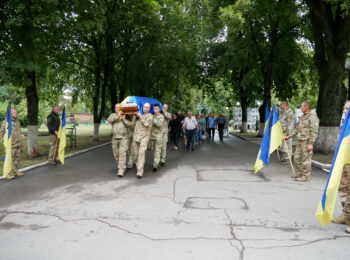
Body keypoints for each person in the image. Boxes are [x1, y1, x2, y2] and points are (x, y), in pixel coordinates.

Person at [286, 101, 319, 181]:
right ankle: (299, 173)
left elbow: (314, 131)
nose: (301, 108)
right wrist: (289, 136)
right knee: (296, 158)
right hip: (300, 140)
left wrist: (311, 143)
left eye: (302, 107)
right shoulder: (303, 116)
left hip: (307, 141)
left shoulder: (313, 116)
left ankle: (305, 176)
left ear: (306, 107)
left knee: (306, 159)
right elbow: (297, 129)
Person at [332, 101, 350, 233]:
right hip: (344, 161)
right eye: (344, 108)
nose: (344, 111)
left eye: (346, 109)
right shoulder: (345, 123)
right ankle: (346, 216)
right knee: (343, 188)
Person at [107, 103, 136, 177]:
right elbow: (109, 120)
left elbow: (131, 125)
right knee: (116, 154)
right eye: (115, 107)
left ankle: (121, 169)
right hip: (115, 138)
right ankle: (121, 164)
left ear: (121, 108)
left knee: (122, 153)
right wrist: (117, 116)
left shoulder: (126, 115)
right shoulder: (113, 115)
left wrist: (123, 118)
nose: (116, 109)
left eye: (118, 107)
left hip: (124, 138)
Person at [0, 108, 23, 179]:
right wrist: (4, 141)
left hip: (17, 143)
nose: (16, 113)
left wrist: (21, 142)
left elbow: (19, 132)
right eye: (14, 112)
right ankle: (9, 174)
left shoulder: (18, 122)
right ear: (10, 113)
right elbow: (1, 132)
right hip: (10, 145)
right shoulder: (6, 122)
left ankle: (15, 171)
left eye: (16, 112)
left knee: (17, 159)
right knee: (10, 159)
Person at [132, 103, 153, 178]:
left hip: (144, 137)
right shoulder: (139, 115)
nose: (145, 108)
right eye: (144, 107)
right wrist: (134, 117)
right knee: (135, 154)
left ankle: (140, 171)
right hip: (136, 137)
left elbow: (147, 124)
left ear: (149, 109)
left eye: (147, 107)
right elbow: (132, 125)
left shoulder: (150, 116)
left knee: (141, 154)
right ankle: (138, 167)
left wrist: (140, 116)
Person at [149, 104, 164, 172]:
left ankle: (155, 164)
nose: (155, 109)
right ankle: (156, 161)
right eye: (154, 108)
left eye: (156, 108)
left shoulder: (161, 116)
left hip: (158, 136)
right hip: (151, 136)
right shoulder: (151, 115)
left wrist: (153, 119)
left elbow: (159, 125)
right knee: (152, 149)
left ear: (159, 109)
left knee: (157, 150)